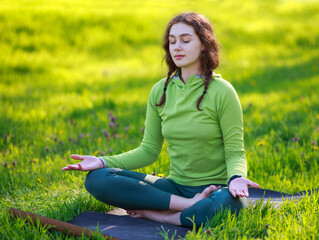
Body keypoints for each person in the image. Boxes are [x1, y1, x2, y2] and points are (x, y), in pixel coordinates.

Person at [62, 12, 259, 227]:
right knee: (97, 179)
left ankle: (162, 215)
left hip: (217, 190)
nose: (177, 47)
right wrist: (102, 161)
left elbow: (234, 151)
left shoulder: (223, 91)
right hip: (175, 188)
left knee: (228, 203)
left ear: (203, 44)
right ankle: (187, 205)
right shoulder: (160, 91)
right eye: (172, 42)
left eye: (185, 40)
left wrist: (236, 178)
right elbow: (148, 151)